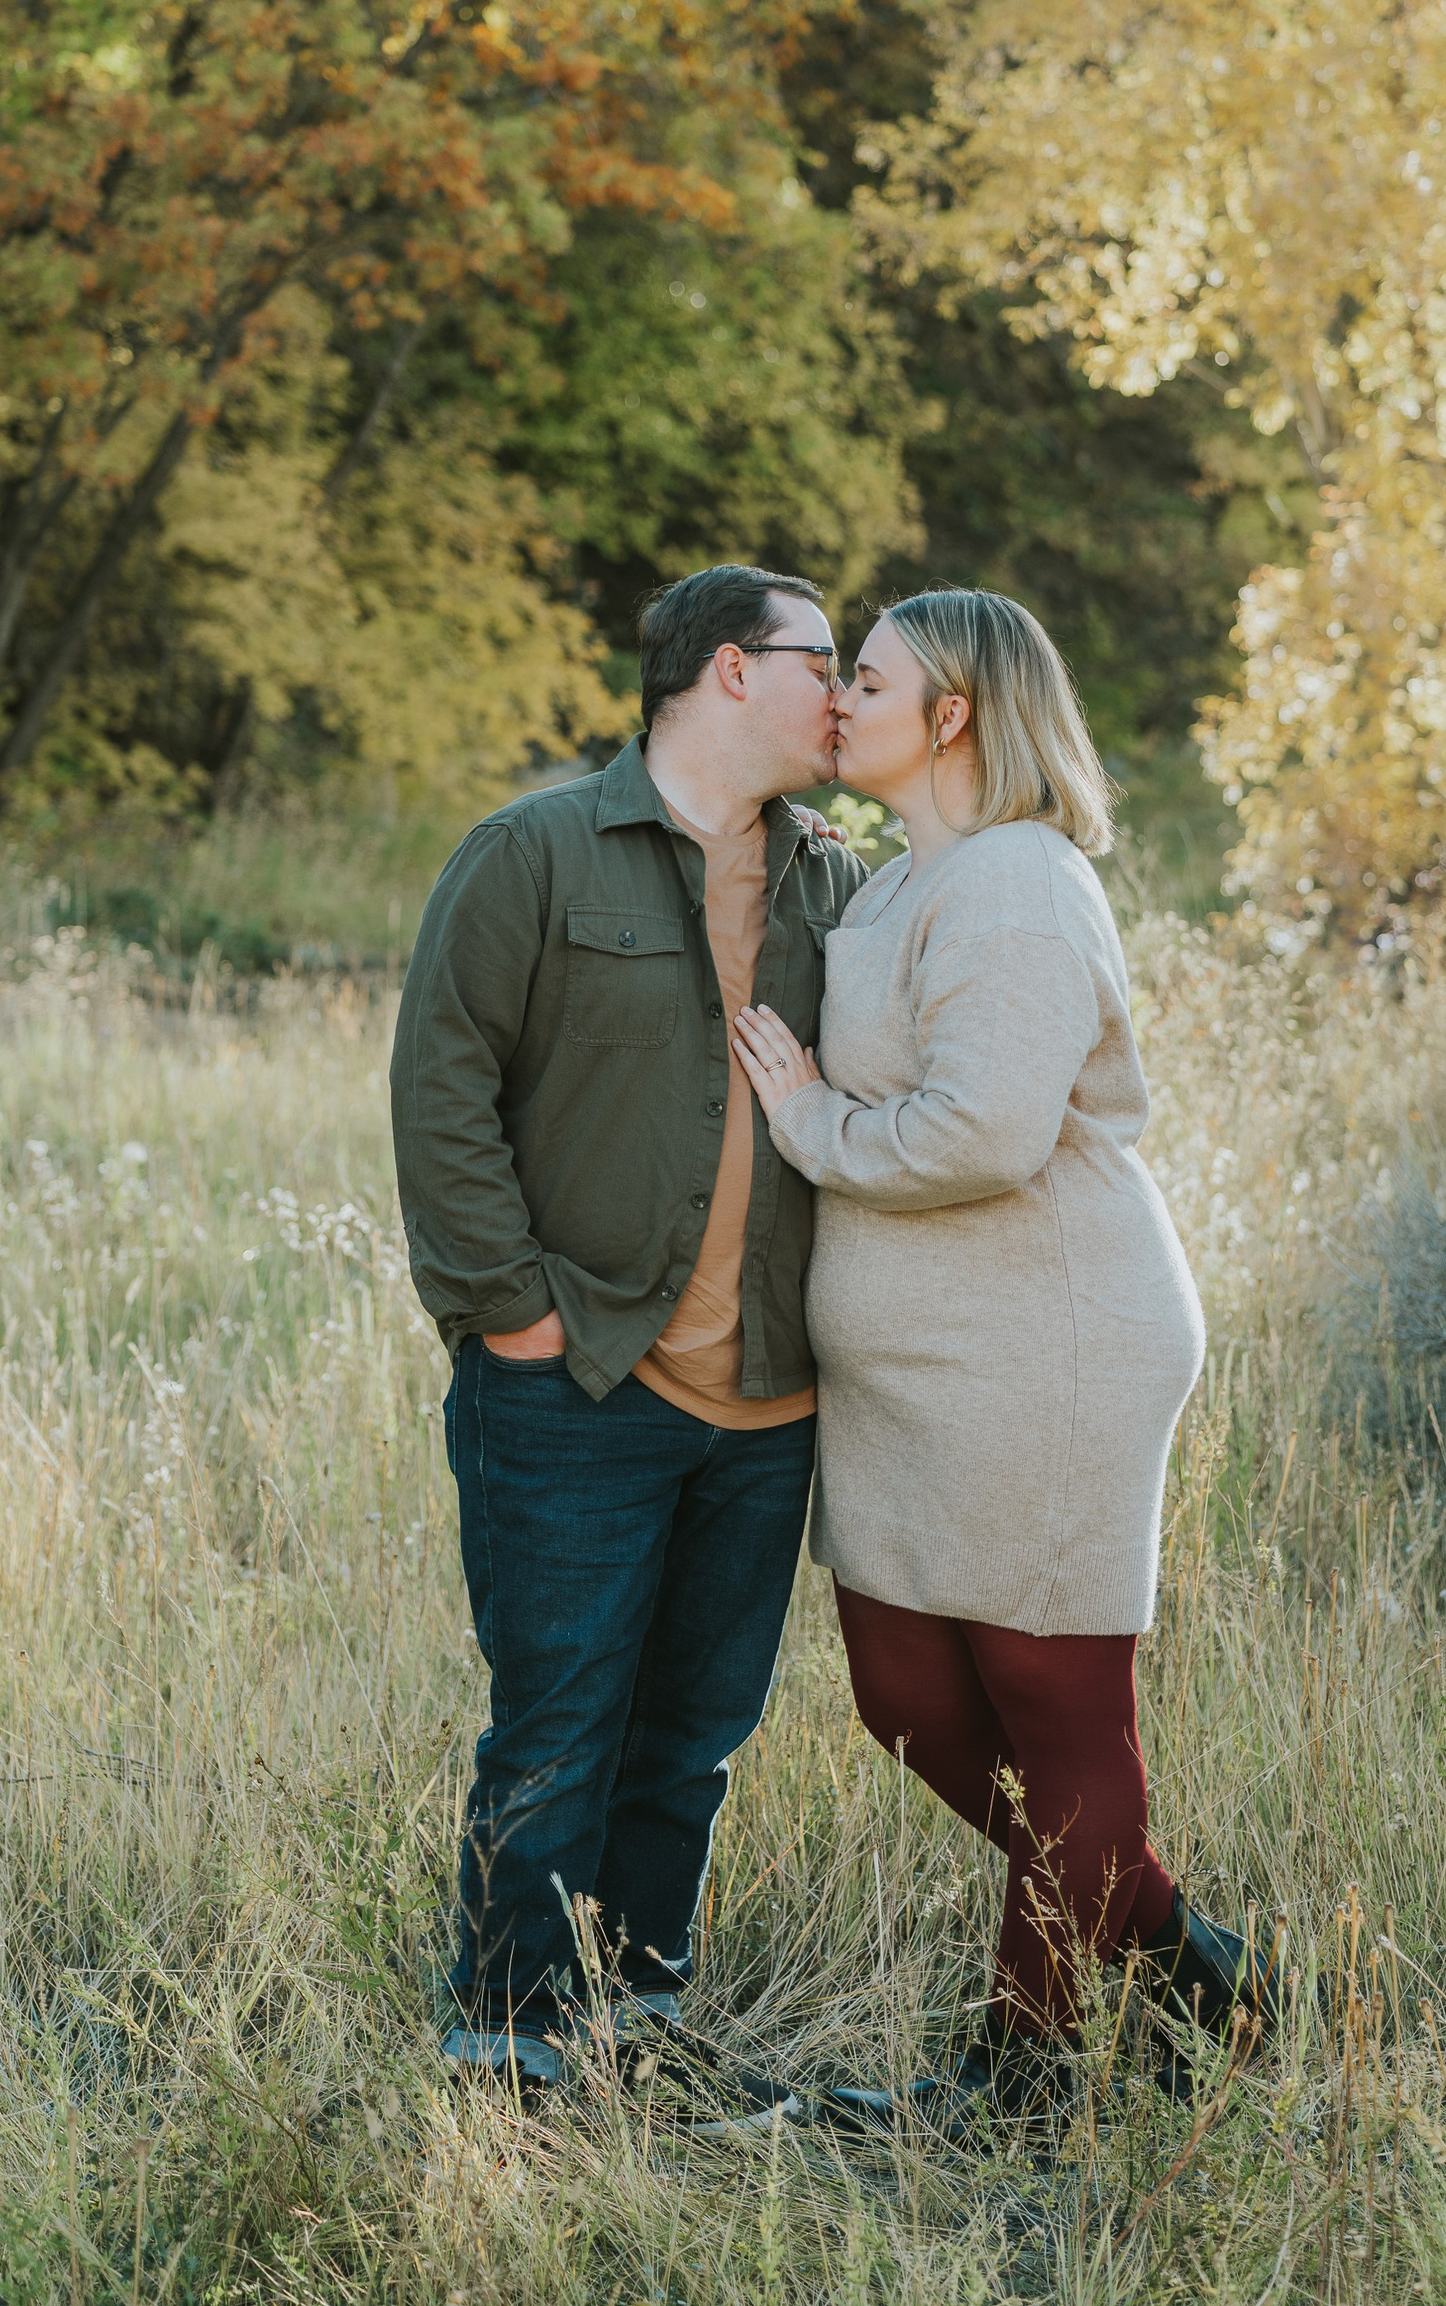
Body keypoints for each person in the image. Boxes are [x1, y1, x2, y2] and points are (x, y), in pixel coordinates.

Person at [730, 587, 1276, 2122]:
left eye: (869, 678)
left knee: (1056, 1711)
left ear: (952, 714)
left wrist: (809, 1119)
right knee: (905, 1694)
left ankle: (1023, 2076)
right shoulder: (903, 884)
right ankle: (1195, 1969)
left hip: (1049, 1344)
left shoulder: (1021, 882)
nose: (839, 697)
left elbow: (983, 1129)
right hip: (916, 1378)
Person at [391, 564, 870, 2086]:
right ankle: (507, 2046)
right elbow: (443, 1090)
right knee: (558, 1726)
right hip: (577, 1379)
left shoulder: (837, 882)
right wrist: (516, 1319)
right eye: (823, 661)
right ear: (730, 668)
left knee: (695, 1735)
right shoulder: (530, 854)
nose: (845, 692)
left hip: (770, 1395)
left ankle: (638, 2023)